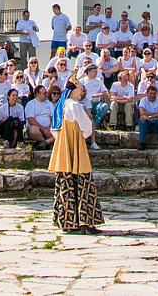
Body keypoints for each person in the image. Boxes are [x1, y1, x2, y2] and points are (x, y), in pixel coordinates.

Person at [49, 81, 103, 233]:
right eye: (80, 89)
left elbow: (54, 130)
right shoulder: (75, 106)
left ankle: (68, 221)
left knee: (66, 181)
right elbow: (87, 129)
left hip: (64, 148)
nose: (82, 92)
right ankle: (85, 221)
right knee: (83, 180)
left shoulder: (61, 106)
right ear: (73, 90)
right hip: (76, 145)